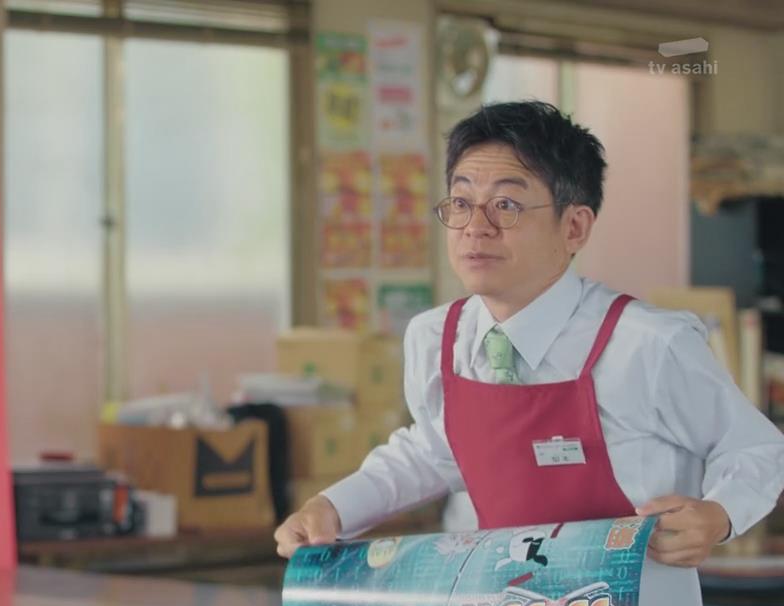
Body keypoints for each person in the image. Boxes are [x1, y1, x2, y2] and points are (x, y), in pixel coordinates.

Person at [276, 101, 784, 568]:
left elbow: (756, 448)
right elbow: (433, 452)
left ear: (574, 227)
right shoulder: (435, 338)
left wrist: (718, 514)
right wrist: (333, 507)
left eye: (506, 205)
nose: (476, 227)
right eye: (461, 202)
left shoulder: (646, 344)